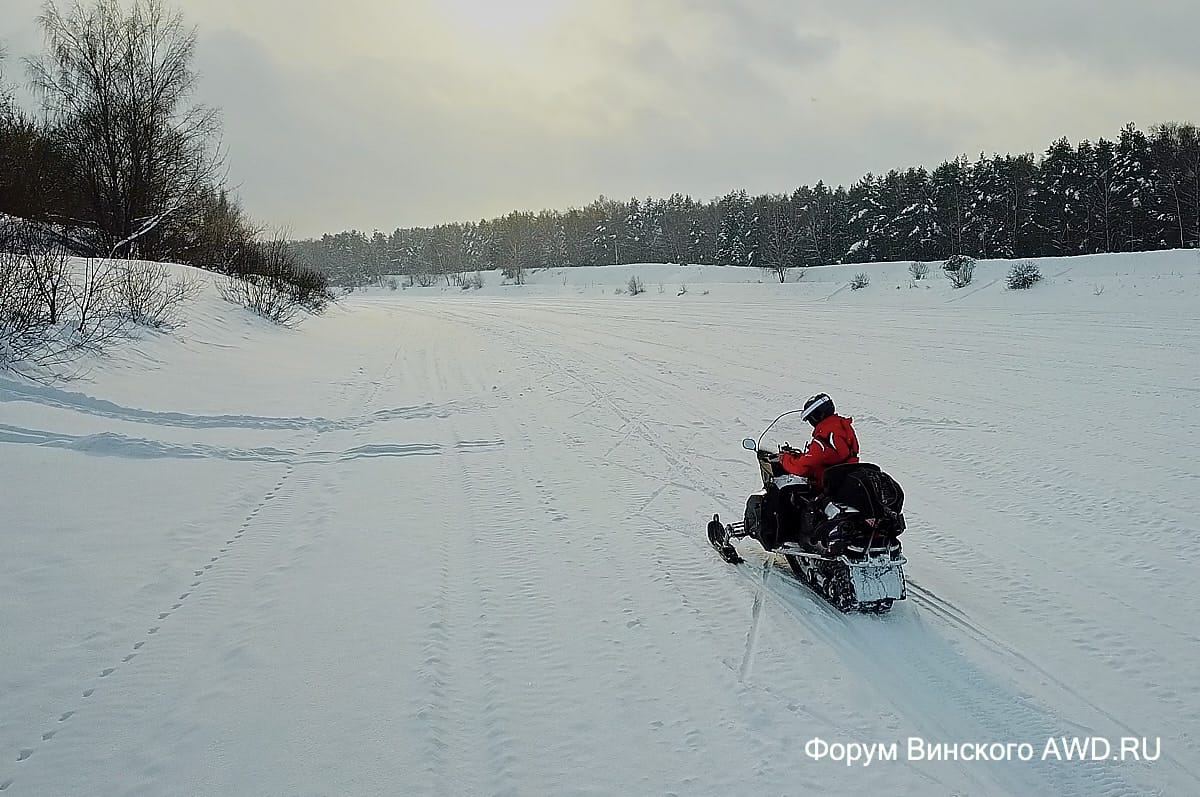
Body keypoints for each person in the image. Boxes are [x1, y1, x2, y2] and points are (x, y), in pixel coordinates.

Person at [779, 393, 859, 489]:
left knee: (784, 492)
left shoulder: (824, 437)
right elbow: (827, 457)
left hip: (829, 485)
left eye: (810, 419)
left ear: (817, 416)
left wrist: (785, 459)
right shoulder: (844, 427)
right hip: (845, 480)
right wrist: (801, 456)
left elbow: (802, 468)